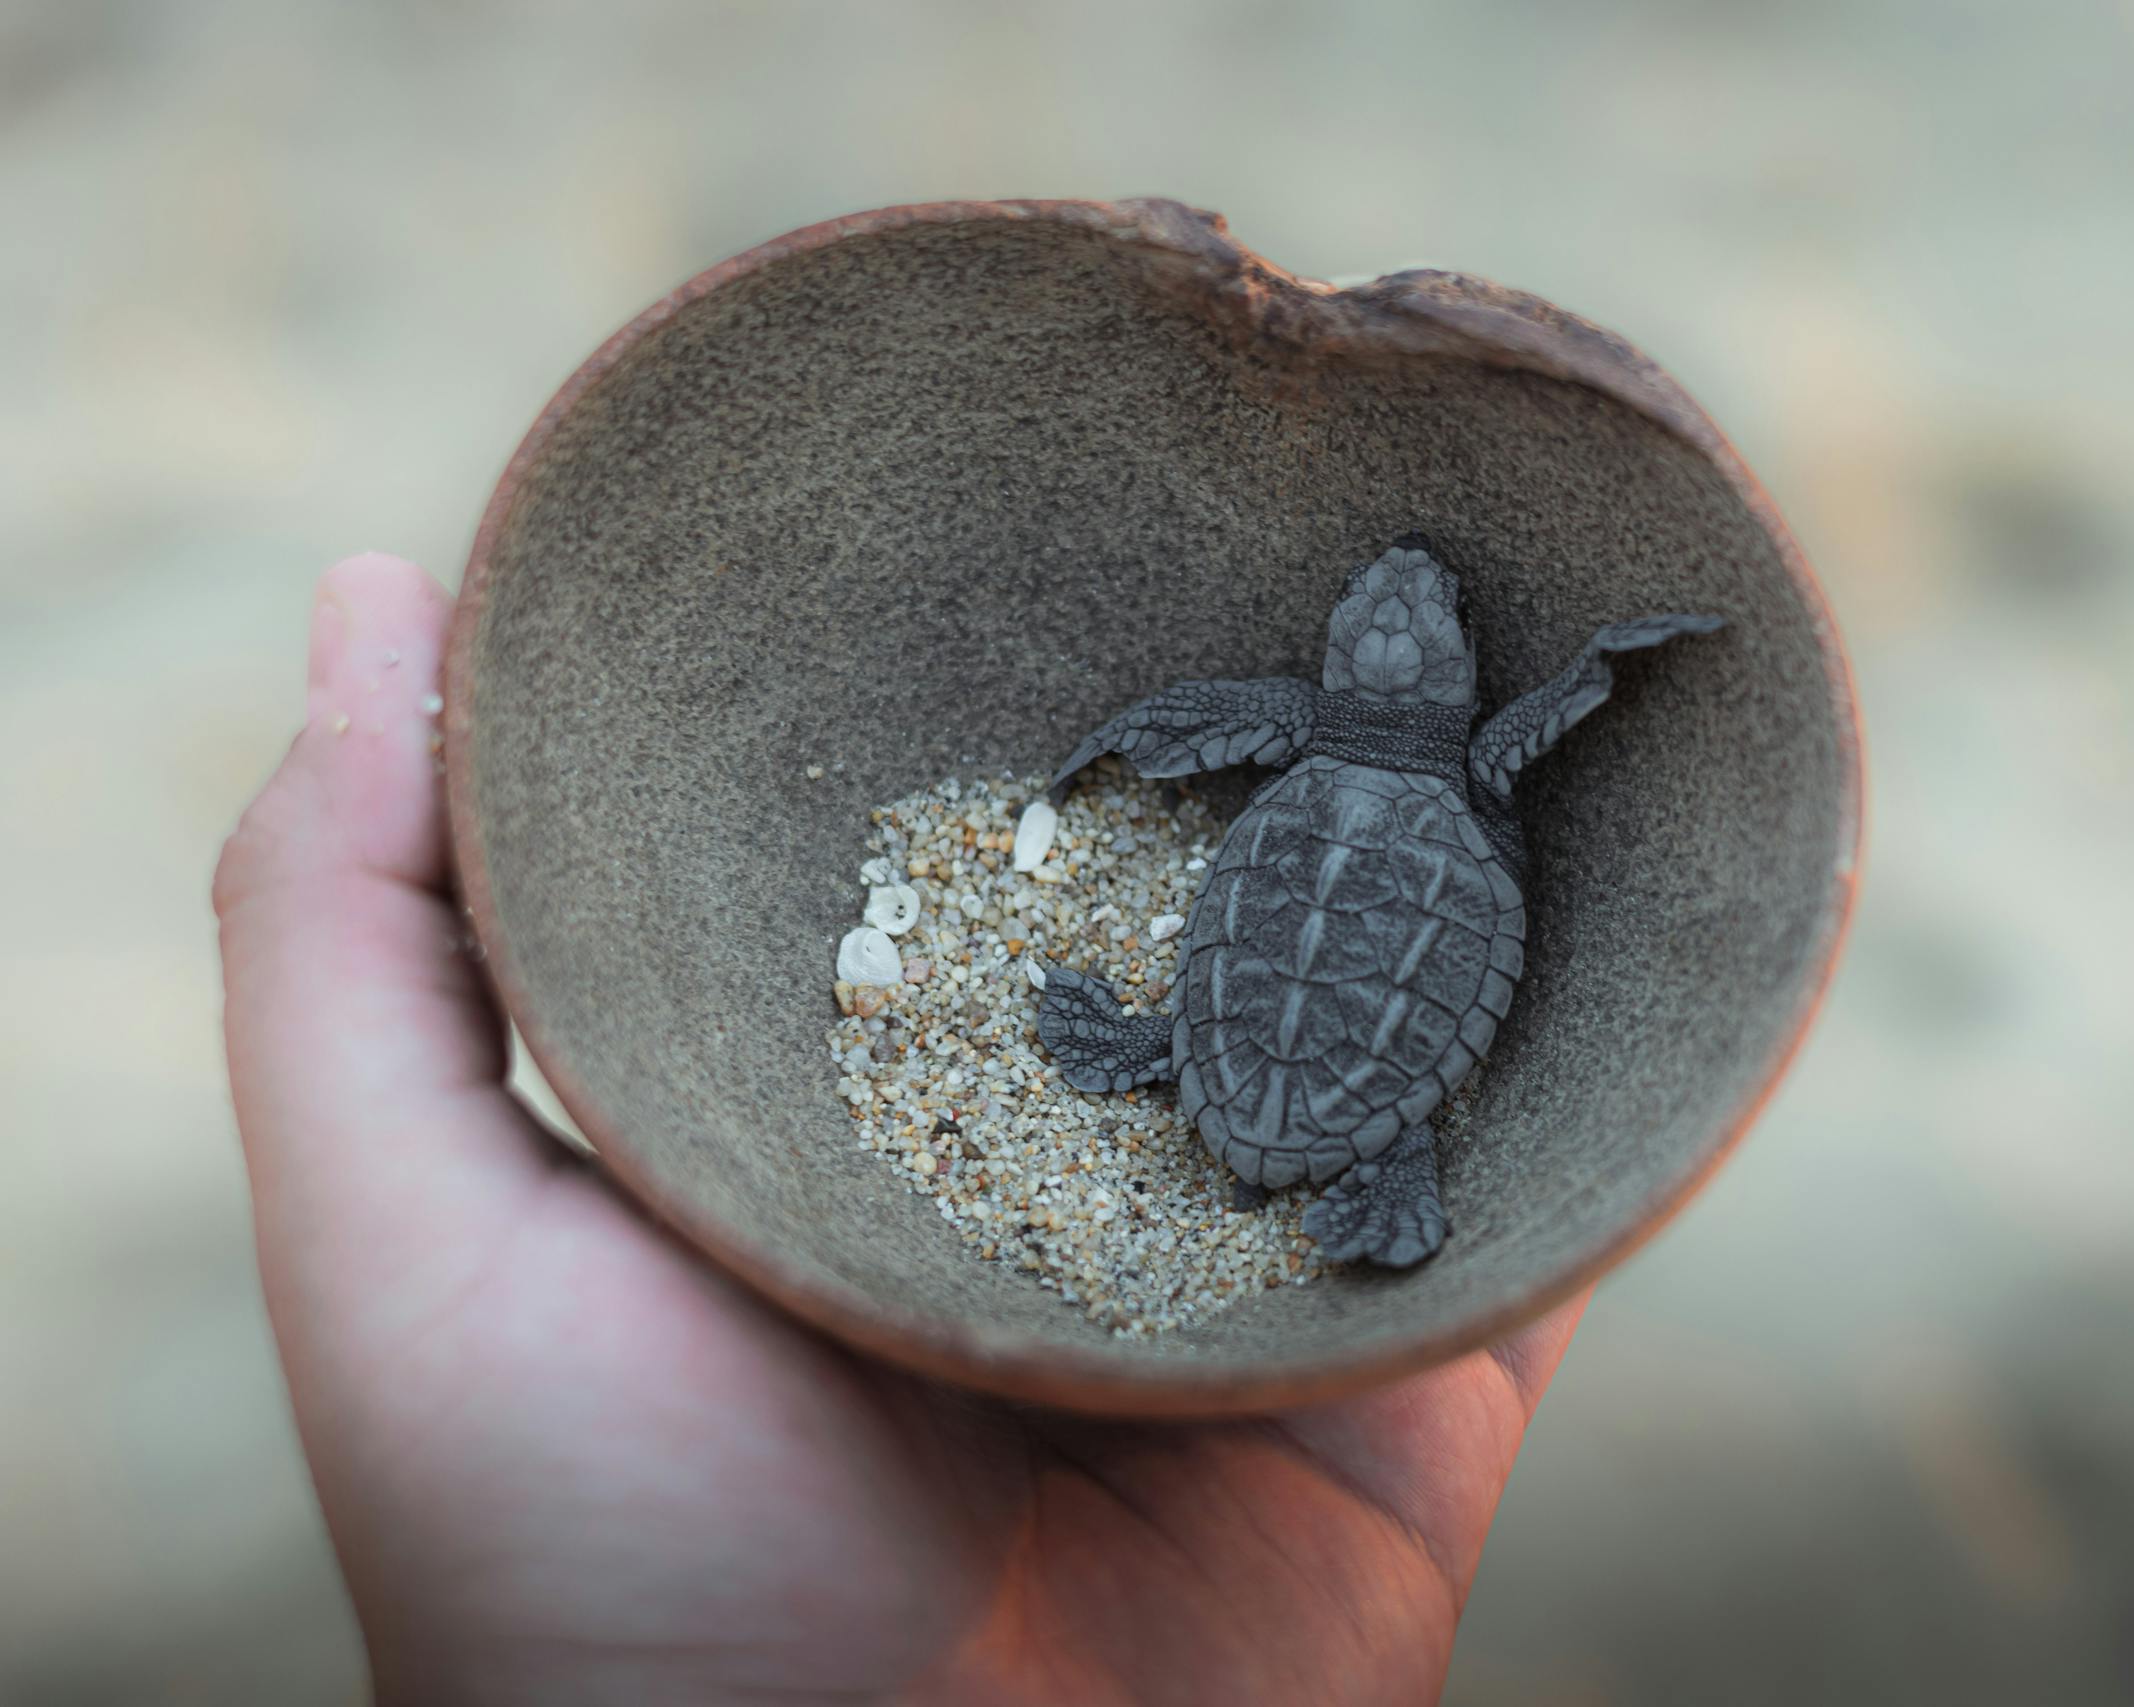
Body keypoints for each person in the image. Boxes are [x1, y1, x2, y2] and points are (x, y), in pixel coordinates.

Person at [213, 552, 1587, 1705]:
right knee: (1367, 1001)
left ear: (1356, 679)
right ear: (1448, 687)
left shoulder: (1297, 734)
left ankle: (1153, 1052)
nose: (1402, 597)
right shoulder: (1475, 763)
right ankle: (1362, 1145)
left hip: (1230, 1029)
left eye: (1417, 615)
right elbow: (1527, 737)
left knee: (1262, 957)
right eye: (1384, 608)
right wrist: (1599, 674)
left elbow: (1192, 729)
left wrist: (1115, 748)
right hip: (1390, 1017)